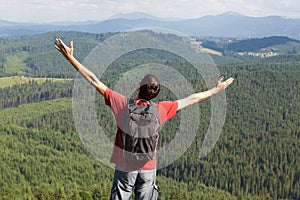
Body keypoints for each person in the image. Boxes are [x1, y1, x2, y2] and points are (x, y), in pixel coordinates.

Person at [55, 38, 234, 200]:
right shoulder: (162, 109)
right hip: (148, 167)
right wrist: (216, 90)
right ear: (156, 94)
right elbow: (194, 98)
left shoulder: (123, 104)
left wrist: (71, 59)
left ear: (137, 87)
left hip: (125, 166)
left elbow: (94, 81)